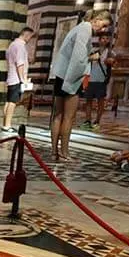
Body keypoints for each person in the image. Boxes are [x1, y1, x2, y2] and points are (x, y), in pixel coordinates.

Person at [49, 9, 112, 161]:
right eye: (103, 25)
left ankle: (54, 152)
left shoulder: (78, 28)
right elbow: (78, 58)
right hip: (71, 77)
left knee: (58, 115)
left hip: (61, 74)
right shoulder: (85, 29)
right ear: (96, 19)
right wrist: (92, 58)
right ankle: (64, 153)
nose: (102, 30)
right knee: (69, 117)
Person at [3, 27, 35, 132]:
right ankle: (7, 125)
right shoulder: (20, 46)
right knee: (12, 101)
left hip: (11, 76)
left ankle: (5, 123)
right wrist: (23, 79)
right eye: (30, 36)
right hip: (16, 78)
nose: (30, 39)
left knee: (8, 101)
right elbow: (20, 63)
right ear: (26, 35)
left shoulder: (12, 45)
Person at [82, 33, 113, 130]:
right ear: (99, 40)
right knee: (88, 101)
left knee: (100, 101)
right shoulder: (94, 51)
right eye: (103, 38)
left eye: (106, 38)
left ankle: (97, 121)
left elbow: (113, 61)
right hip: (91, 79)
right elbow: (87, 60)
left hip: (101, 80)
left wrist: (109, 61)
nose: (104, 40)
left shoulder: (110, 52)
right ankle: (87, 120)